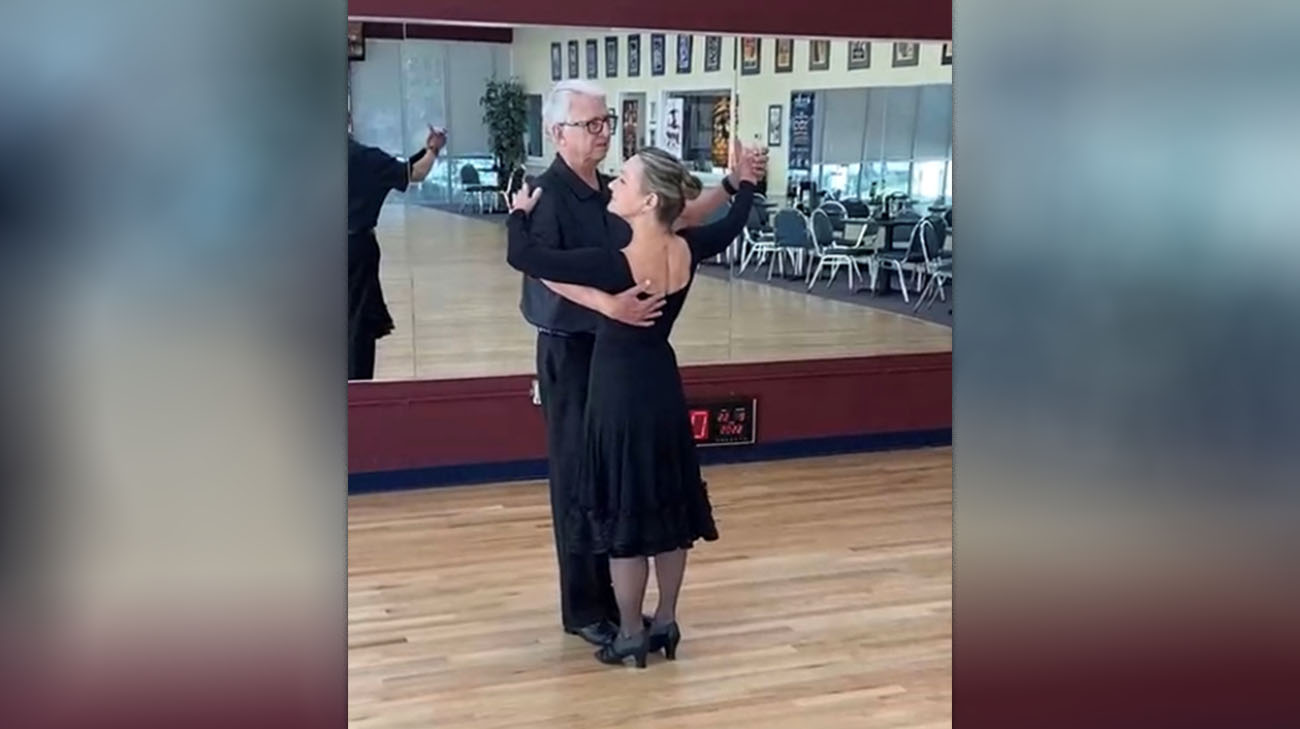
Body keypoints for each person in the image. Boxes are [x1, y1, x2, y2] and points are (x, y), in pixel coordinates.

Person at [516, 79, 766, 648]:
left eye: (607, 122)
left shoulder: (613, 190)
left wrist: (731, 183)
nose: (604, 133)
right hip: (574, 350)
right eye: (592, 124)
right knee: (583, 481)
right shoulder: (548, 193)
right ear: (558, 132)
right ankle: (587, 609)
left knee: (620, 482)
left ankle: (624, 613)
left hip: (621, 356)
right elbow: (539, 268)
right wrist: (608, 302)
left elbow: (678, 216)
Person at [347, 124, 446, 380]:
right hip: (356, 249)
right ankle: (357, 391)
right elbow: (415, 173)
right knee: (357, 323)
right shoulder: (367, 158)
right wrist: (433, 149)